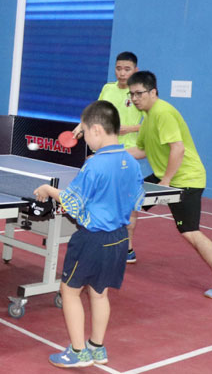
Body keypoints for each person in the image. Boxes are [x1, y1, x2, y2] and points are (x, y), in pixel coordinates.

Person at [35, 100, 144, 368]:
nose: (84, 139)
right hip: (119, 238)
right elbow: (136, 202)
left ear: (96, 130)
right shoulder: (131, 162)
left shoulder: (94, 165)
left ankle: (77, 352)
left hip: (92, 239)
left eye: (84, 133)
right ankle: (97, 347)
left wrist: (49, 191)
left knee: (69, 291)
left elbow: (72, 202)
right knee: (99, 293)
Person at [126, 71, 212, 299]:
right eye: (132, 94)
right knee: (129, 201)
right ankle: (126, 251)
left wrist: (165, 182)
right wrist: (109, 153)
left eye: (139, 93)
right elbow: (142, 150)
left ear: (153, 92)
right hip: (166, 177)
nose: (135, 98)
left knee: (189, 232)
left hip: (186, 179)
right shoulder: (147, 118)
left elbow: (178, 148)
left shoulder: (162, 112)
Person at [72, 51, 143, 264]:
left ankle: (128, 247)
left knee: (127, 202)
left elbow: (149, 124)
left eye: (127, 69)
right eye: (119, 68)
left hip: (129, 151)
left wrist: (126, 128)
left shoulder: (138, 94)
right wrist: (81, 125)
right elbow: (97, 111)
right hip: (106, 149)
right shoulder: (108, 88)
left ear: (135, 70)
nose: (122, 73)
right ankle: (103, 241)